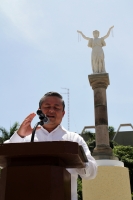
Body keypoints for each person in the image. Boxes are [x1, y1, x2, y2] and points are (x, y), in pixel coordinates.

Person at [5, 91, 97, 200]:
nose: (51, 110)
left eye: (56, 107)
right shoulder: (25, 137)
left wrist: (79, 160)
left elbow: (92, 173)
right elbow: (3, 163)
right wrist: (19, 135)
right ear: (39, 111)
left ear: (63, 113)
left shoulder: (74, 139)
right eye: (47, 106)